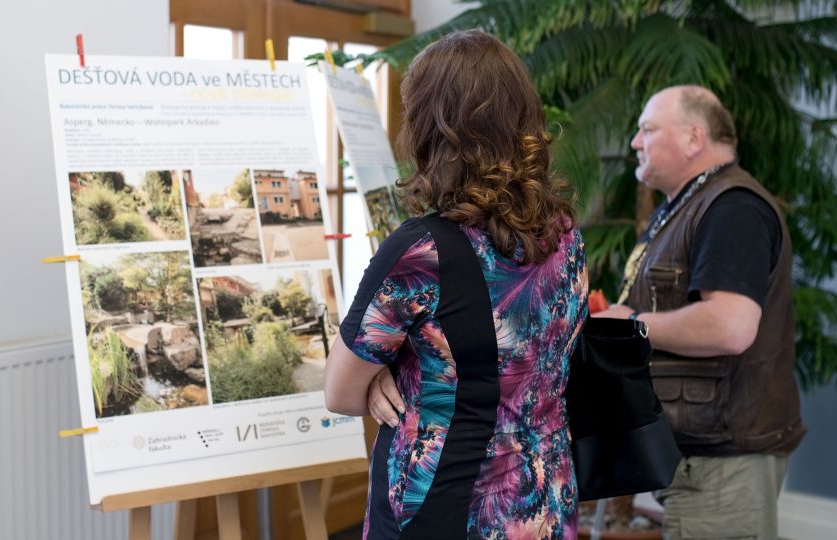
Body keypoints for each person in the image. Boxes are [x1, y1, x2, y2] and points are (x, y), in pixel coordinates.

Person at [324, 30, 589, 539]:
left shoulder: (421, 251)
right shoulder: (565, 237)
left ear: (432, 128)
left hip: (451, 509)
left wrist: (390, 376)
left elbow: (339, 390)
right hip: (544, 501)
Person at [594, 85, 807, 539]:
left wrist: (632, 326)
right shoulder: (685, 205)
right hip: (700, 457)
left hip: (724, 463)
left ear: (693, 138)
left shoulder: (731, 208)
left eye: (647, 130)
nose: (635, 142)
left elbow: (729, 326)